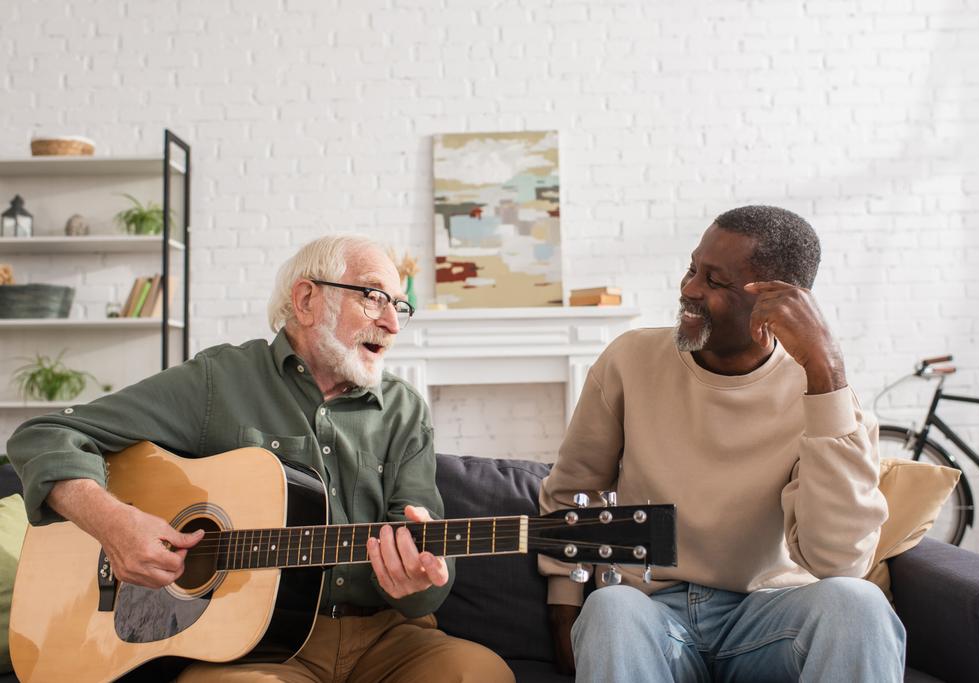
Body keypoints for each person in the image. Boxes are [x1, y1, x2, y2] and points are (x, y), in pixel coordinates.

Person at [8, 235, 513, 683]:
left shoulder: (404, 411)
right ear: (307, 299)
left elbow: (427, 552)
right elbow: (46, 434)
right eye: (375, 297)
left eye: (399, 307)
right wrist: (113, 523)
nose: (391, 323)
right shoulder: (216, 382)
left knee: (479, 673)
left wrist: (420, 580)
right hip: (254, 650)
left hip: (387, 640)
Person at [539, 205, 906, 682]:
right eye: (693, 268)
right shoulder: (629, 362)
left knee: (858, 604)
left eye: (715, 281)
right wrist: (564, 608)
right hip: (653, 613)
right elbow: (573, 491)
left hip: (770, 616)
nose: (689, 288)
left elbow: (840, 561)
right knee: (609, 609)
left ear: (776, 304)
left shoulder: (826, 399)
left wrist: (827, 372)